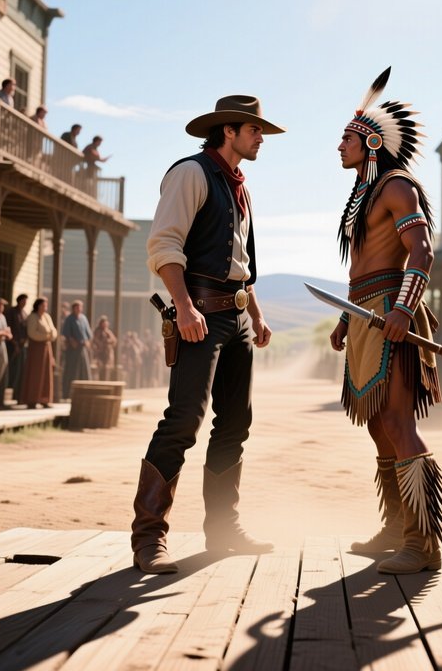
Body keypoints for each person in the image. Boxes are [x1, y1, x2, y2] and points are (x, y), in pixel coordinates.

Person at [132, 91, 284, 575]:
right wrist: (183, 308)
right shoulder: (190, 173)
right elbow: (164, 245)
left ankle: (223, 528)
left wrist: (255, 314)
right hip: (198, 314)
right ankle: (148, 539)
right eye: (255, 130)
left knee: (235, 424)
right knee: (182, 421)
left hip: (236, 317)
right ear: (229, 131)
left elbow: (240, 265)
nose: (261, 138)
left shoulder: (239, 185)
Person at [328, 68, 442, 575]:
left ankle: (424, 544)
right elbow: (362, 265)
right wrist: (344, 318)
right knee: (378, 422)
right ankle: (397, 529)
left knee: (397, 421)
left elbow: (421, 250)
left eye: (347, 139)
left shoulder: (397, 187)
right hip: (364, 312)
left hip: (390, 313)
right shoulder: (362, 194)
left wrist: (400, 308)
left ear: (372, 142)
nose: (339, 146)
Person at [20, 297, 57, 409]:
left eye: (46, 305)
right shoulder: (33, 317)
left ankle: (44, 399)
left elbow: (54, 331)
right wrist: (46, 336)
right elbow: (32, 333)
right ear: (38, 306)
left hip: (46, 348)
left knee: (46, 373)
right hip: (36, 349)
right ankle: (32, 399)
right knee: (36, 374)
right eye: (43, 305)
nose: (45, 308)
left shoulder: (47, 317)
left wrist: (51, 336)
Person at [62, 300, 93, 397]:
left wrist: (87, 341)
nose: (79, 309)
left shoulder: (83, 318)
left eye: (80, 307)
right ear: (73, 308)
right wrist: (71, 340)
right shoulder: (69, 319)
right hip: (73, 349)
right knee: (71, 370)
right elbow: (66, 332)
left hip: (82, 348)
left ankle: (85, 393)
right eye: (77, 307)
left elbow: (88, 333)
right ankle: (68, 393)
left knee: (84, 370)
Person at [5, 293, 29, 401]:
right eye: (23, 300)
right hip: (12, 345)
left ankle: (18, 395)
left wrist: (23, 342)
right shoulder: (11, 312)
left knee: (21, 371)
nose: (24, 303)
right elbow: (9, 327)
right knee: (12, 370)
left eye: (26, 301)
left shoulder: (24, 313)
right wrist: (15, 344)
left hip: (22, 346)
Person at [0, 298, 12, 409]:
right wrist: (4, 333)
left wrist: (7, 333)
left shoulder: (2, 317)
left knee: (4, 370)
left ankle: (0, 400)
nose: (1, 307)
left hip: (2, 345)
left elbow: (6, 331)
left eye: (2, 305)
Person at [91, 315, 117, 381]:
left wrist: (108, 341)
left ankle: (105, 381)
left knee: (106, 369)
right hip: (100, 353)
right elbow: (95, 340)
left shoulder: (108, 331)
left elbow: (114, 340)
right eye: (103, 323)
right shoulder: (97, 331)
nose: (105, 324)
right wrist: (100, 344)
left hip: (107, 353)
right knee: (100, 368)